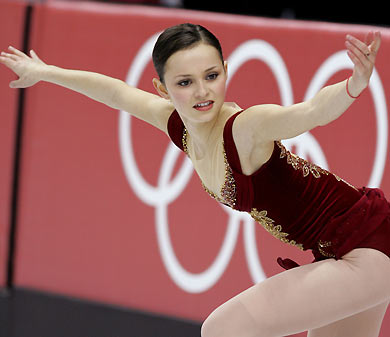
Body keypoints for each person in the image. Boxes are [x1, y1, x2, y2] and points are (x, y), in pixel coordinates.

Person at [1, 23, 389, 337]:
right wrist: (46, 73)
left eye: (211, 75)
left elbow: (311, 112)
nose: (202, 92)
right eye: (184, 83)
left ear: (225, 71)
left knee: (223, 330)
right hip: (342, 254)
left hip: (372, 247)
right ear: (162, 89)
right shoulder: (178, 125)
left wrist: (354, 83)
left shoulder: (246, 128)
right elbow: (115, 92)